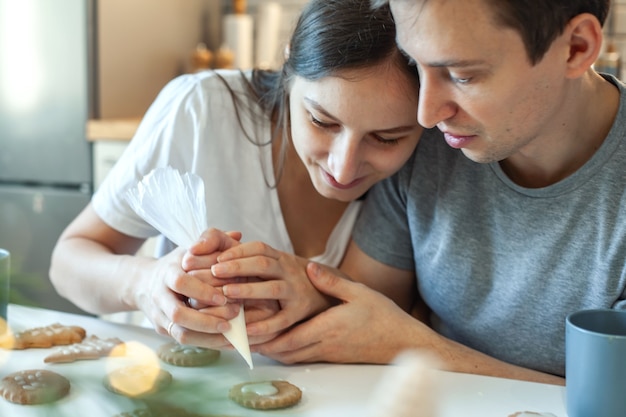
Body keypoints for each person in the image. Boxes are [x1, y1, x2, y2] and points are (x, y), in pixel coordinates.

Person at [207, 0, 624, 386]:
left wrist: (417, 347)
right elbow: (364, 314)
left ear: (575, 47)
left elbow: (610, 400)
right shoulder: (434, 140)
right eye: (416, 65)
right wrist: (278, 297)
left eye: (462, 75)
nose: (425, 113)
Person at [48, 0, 422, 346]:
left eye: (386, 139)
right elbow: (67, 265)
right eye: (321, 121)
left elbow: (399, 319)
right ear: (289, 68)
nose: (343, 167)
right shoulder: (201, 110)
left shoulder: (433, 163)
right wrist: (143, 282)